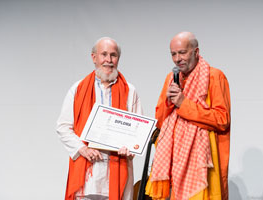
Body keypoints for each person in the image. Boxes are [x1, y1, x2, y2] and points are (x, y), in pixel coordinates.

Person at [145, 32, 231, 200]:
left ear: (196, 52)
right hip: (172, 161)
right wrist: (169, 103)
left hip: (203, 163)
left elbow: (222, 119)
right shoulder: (171, 78)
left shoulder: (214, 76)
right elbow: (161, 122)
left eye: (182, 52)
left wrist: (183, 104)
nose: (178, 59)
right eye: (173, 54)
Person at [56, 37, 143, 200]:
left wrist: (130, 146)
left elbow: (137, 132)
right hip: (87, 175)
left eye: (113, 55)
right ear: (94, 57)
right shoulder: (78, 89)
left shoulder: (130, 91)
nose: (109, 60)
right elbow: (63, 127)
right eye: (104, 54)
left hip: (118, 169)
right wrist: (83, 149)